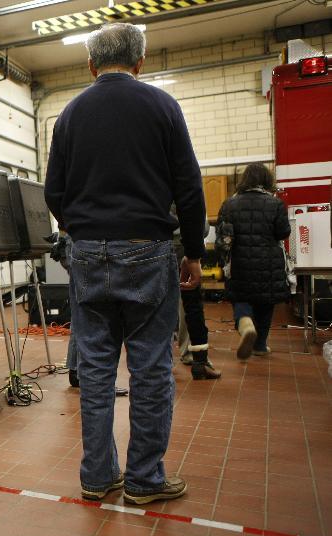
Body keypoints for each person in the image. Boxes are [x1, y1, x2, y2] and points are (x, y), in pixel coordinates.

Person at [44, 23, 206, 505]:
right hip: (148, 249)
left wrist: (83, 230)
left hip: (88, 253)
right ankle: (144, 480)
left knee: (94, 368)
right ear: (140, 63)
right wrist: (193, 251)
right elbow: (189, 186)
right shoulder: (162, 106)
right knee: (151, 368)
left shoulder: (70, 114)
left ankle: (97, 476)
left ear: (91, 65)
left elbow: (54, 191)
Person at [215, 164, 290, 359]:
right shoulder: (276, 204)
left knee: (241, 297)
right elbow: (283, 232)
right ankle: (260, 345)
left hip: (239, 263)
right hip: (268, 263)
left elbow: (221, 234)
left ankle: (245, 323)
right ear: (266, 180)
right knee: (265, 303)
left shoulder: (229, 204)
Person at [52, 233, 128, 396]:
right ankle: (90, 378)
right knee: (100, 316)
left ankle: (76, 371)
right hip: (90, 242)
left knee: (82, 312)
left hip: (75, 242)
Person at [174, 213, 221, 379]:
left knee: (158, 304)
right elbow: (202, 224)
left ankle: (162, 358)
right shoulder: (186, 187)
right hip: (185, 247)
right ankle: (193, 356)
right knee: (188, 304)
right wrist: (193, 256)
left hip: (152, 247)